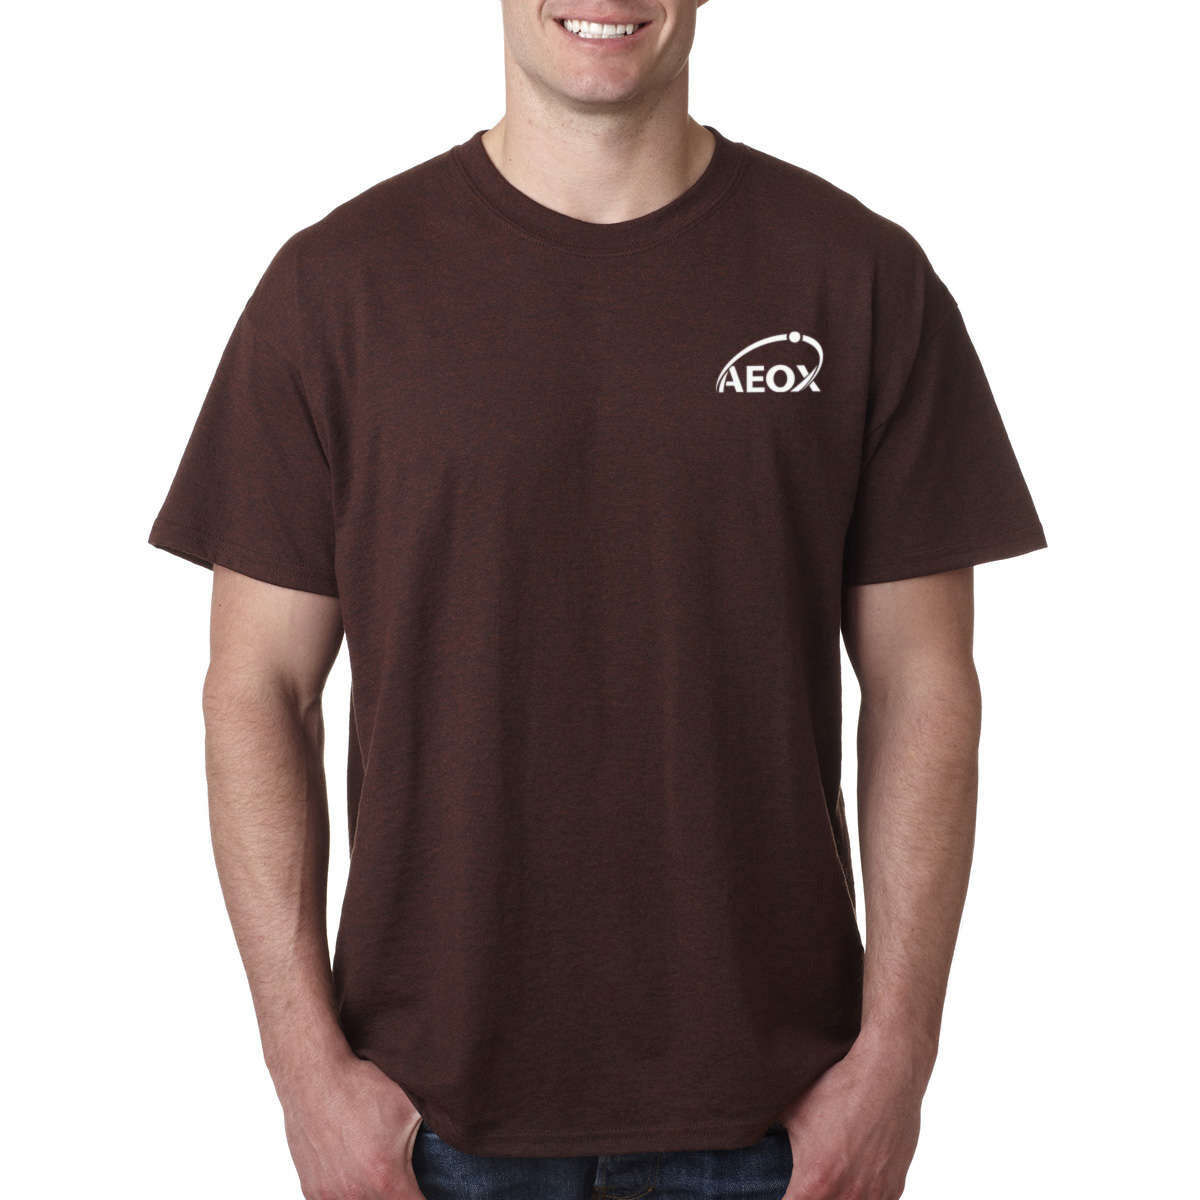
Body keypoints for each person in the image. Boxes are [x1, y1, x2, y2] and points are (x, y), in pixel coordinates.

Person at [148, 2, 1047, 1197]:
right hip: (432, 1123)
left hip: (776, 1120)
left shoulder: (859, 277)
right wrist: (304, 1073)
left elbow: (924, 683)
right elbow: (255, 689)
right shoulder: (335, 289)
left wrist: (897, 1063)